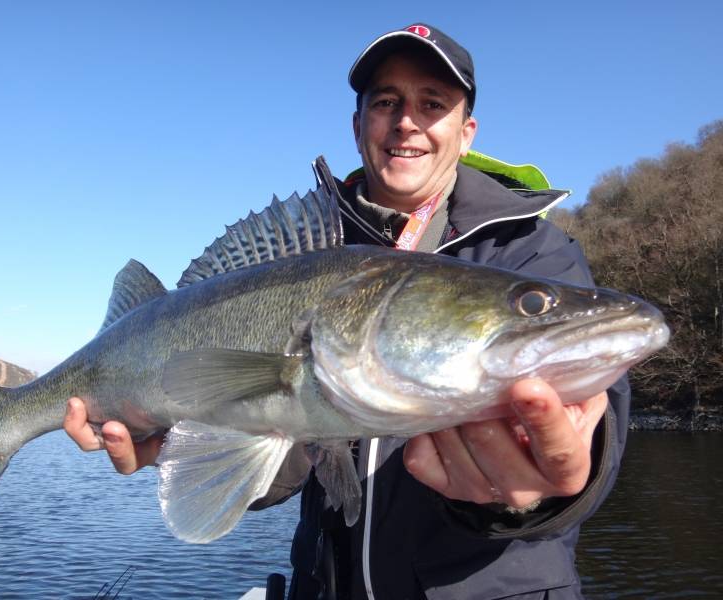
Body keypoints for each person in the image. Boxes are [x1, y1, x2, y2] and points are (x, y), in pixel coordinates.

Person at [65, 23, 629, 599]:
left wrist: (549, 485)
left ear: (466, 132)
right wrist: (181, 442)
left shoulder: (531, 253)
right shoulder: (314, 255)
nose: (407, 120)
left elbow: (598, 429)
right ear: (359, 126)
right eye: (386, 102)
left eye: (432, 103)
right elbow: (286, 460)